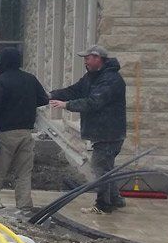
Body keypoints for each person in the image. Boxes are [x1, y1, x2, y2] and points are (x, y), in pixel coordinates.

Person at [48, 44, 127, 213]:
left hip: (109, 133)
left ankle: (103, 206)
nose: (85, 62)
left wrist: (66, 105)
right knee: (106, 167)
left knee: (100, 168)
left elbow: (93, 102)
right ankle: (115, 199)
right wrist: (51, 95)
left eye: (87, 58)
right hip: (102, 132)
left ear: (98, 58)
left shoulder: (111, 80)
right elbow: (74, 90)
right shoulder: (92, 77)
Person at [0, 47, 49, 210]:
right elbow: (44, 99)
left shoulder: (0, 81)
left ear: (2, 62)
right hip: (26, 133)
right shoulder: (30, 79)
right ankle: (24, 207)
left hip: (4, 135)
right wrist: (27, 103)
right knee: (23, 173)